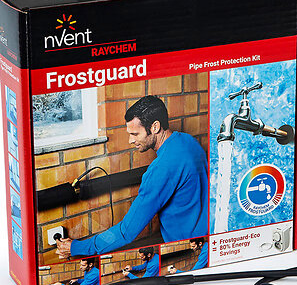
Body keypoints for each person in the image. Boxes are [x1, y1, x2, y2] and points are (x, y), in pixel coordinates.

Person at [56, 95, 208, 258]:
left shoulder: (161, 169)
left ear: (155, 127)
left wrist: (77, 247)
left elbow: (126, 231)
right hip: (207, 237)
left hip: (188, 252)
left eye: (135, 134)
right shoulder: (188, 141)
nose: (130, 140)